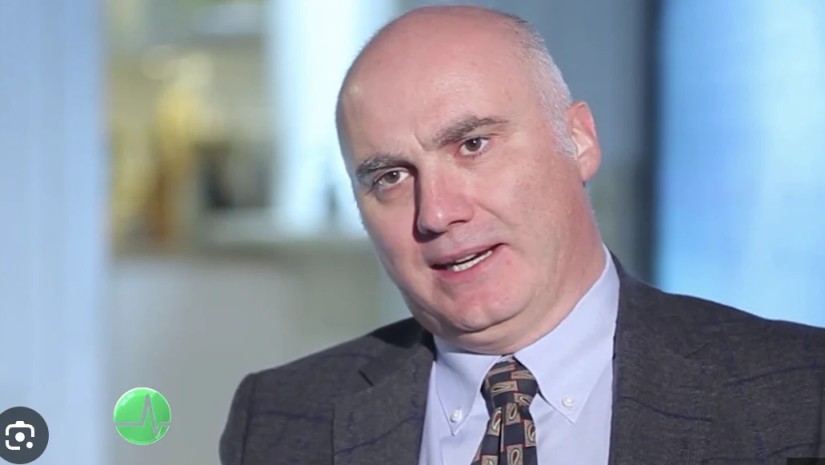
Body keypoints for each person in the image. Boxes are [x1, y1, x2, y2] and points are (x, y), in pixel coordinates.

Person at [219, 6, 825, 464]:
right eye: (391, 177)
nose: (437, 213)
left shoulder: (801, 393)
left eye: (472, 145)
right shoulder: (277, 421)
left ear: (579, 140)